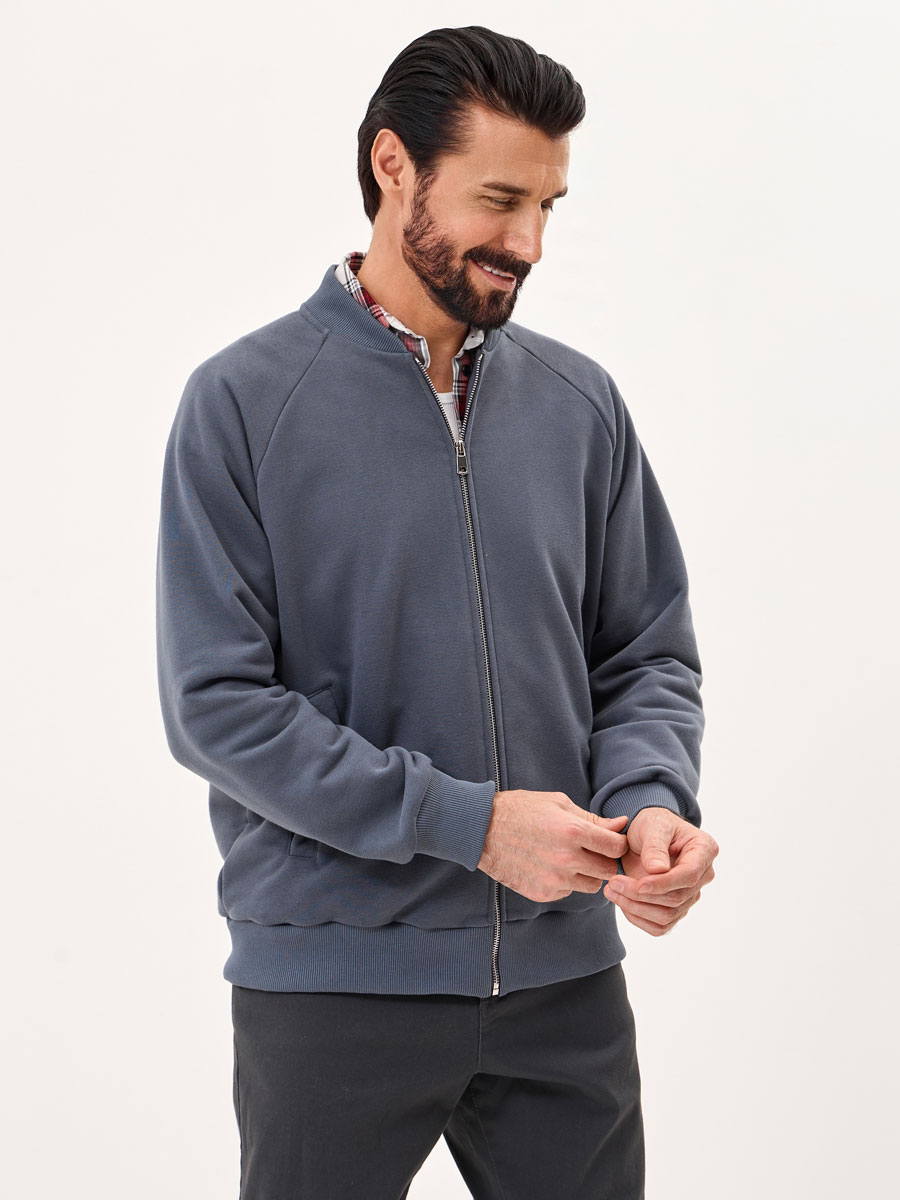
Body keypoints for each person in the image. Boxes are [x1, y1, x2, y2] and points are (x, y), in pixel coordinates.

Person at [155, 23, 719, 1200]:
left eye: (548, 206)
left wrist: (651, 801)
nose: (529, 244)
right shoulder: (244, 405)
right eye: (500, 200)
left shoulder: (578, 405)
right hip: (334, 987)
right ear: (392, 165)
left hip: (564, 986)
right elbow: (219, 707)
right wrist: (471, 825)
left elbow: (643, 653)